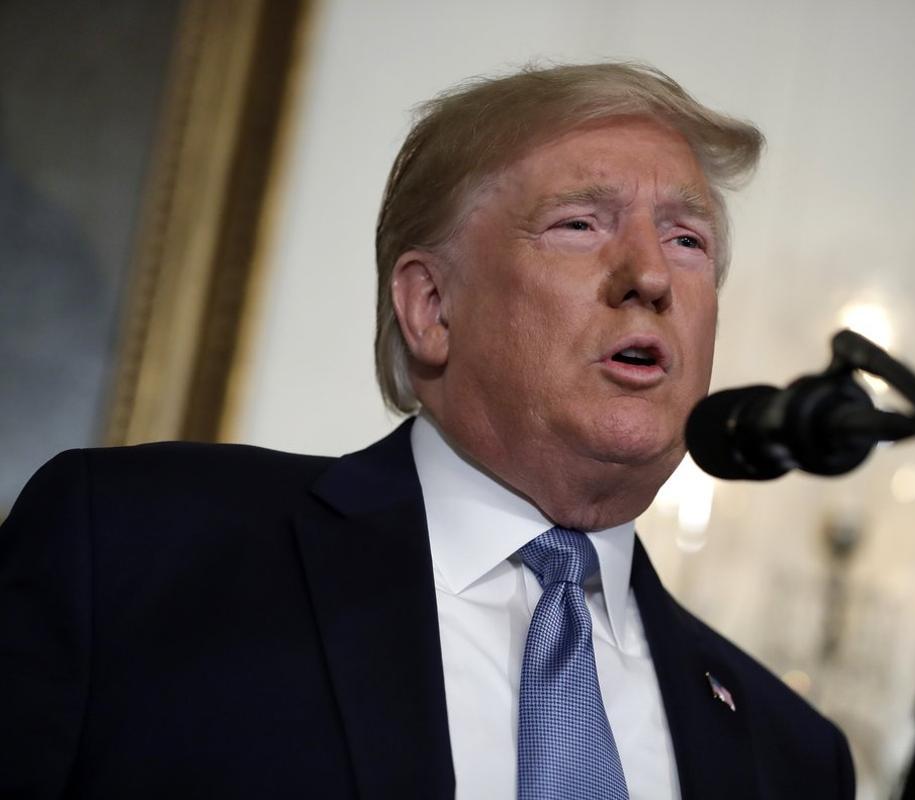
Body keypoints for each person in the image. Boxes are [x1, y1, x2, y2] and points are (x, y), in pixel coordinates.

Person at [0, 62, 854, 799]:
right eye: (580, 224)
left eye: (687, 239)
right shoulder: (132, 550)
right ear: (431, 307)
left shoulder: (791, 756)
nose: (649, 276)